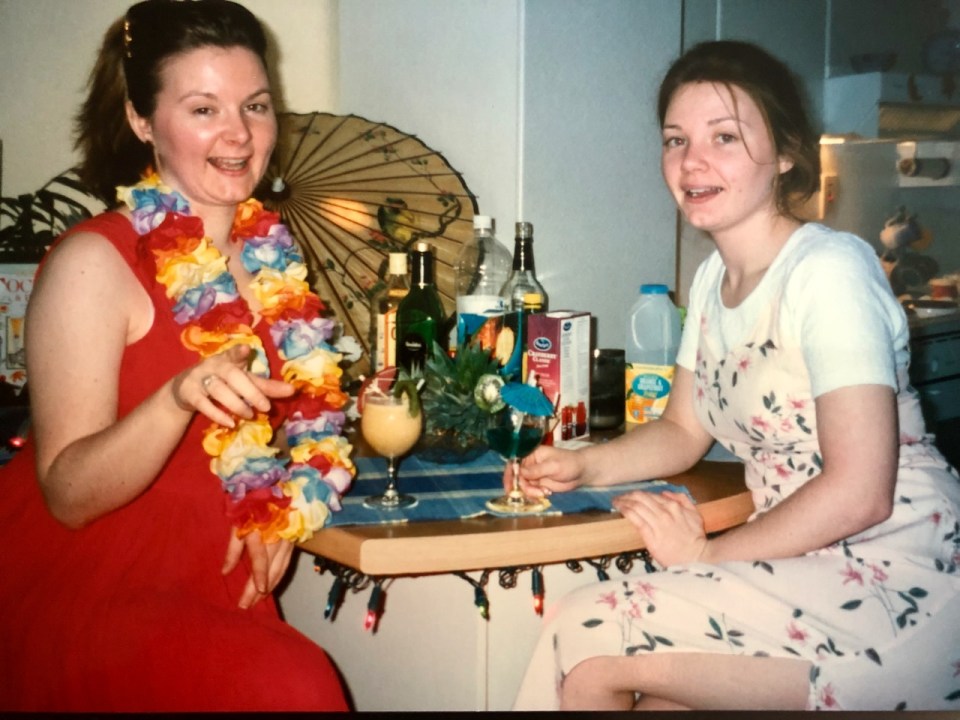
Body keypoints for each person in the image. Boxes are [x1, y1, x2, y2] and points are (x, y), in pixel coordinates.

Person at [511, 40, 960, 712]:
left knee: (587, 633)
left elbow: (862, 492)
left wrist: (707, 558)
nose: (692, 161)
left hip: (898, 579)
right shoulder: (712, 279)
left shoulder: (827, 271)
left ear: (786, 152)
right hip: (797, 565)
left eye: (724, 136)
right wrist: (585, 465)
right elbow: (682, 431)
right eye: (676, 140)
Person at [0, 0, 356, 711]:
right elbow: (66, 496)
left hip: (218, 578)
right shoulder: (91, 262)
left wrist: (286, 508)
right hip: (98, 582)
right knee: (298, 687)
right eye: (203, 109)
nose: (239, 133)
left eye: (256, 105)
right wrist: (174, 399)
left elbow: (294, 432)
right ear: (140, 119)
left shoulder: (273, 257)